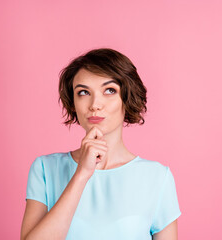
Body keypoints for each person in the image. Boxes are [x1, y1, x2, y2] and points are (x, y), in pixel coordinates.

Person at [20, 48, 181, 240]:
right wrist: (81, 175)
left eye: (110, 90)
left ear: (126, 99)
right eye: (83, 92)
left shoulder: (157, 177)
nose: (95, 104)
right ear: (73, 103)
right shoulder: (45, 169)